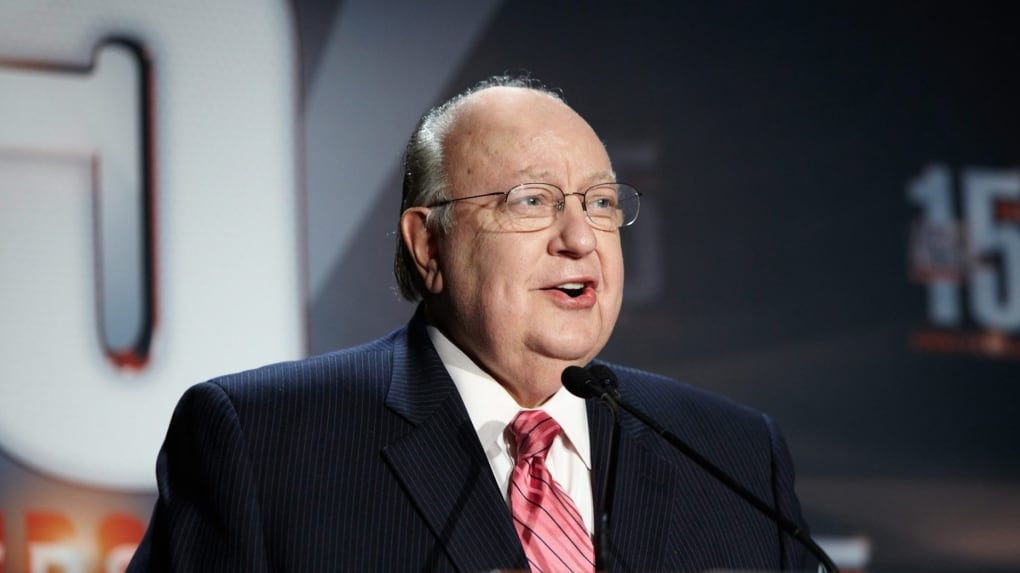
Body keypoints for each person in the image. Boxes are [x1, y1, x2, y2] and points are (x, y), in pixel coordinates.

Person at [128, 76, 817, 572]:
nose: (580, 238)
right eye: (532, 201)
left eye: (601, 202)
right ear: (428, 245)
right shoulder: (262, 444)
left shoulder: (734, 456)